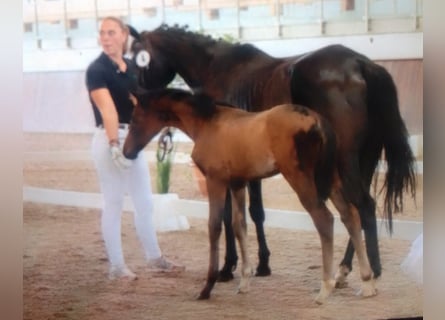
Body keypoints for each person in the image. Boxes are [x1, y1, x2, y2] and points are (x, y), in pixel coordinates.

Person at [85, 16, 184, 280]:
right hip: (111, 141)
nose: (105, 38)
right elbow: (108, 111)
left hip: (133, 140)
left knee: (144, 202)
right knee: (114, 202)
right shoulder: (97, 70)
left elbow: (141, 103)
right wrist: (114, 145)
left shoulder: (131, 67)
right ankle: (117, 266)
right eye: (102, 33)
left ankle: (154, 258)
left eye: (111, 32)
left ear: (123, 34)